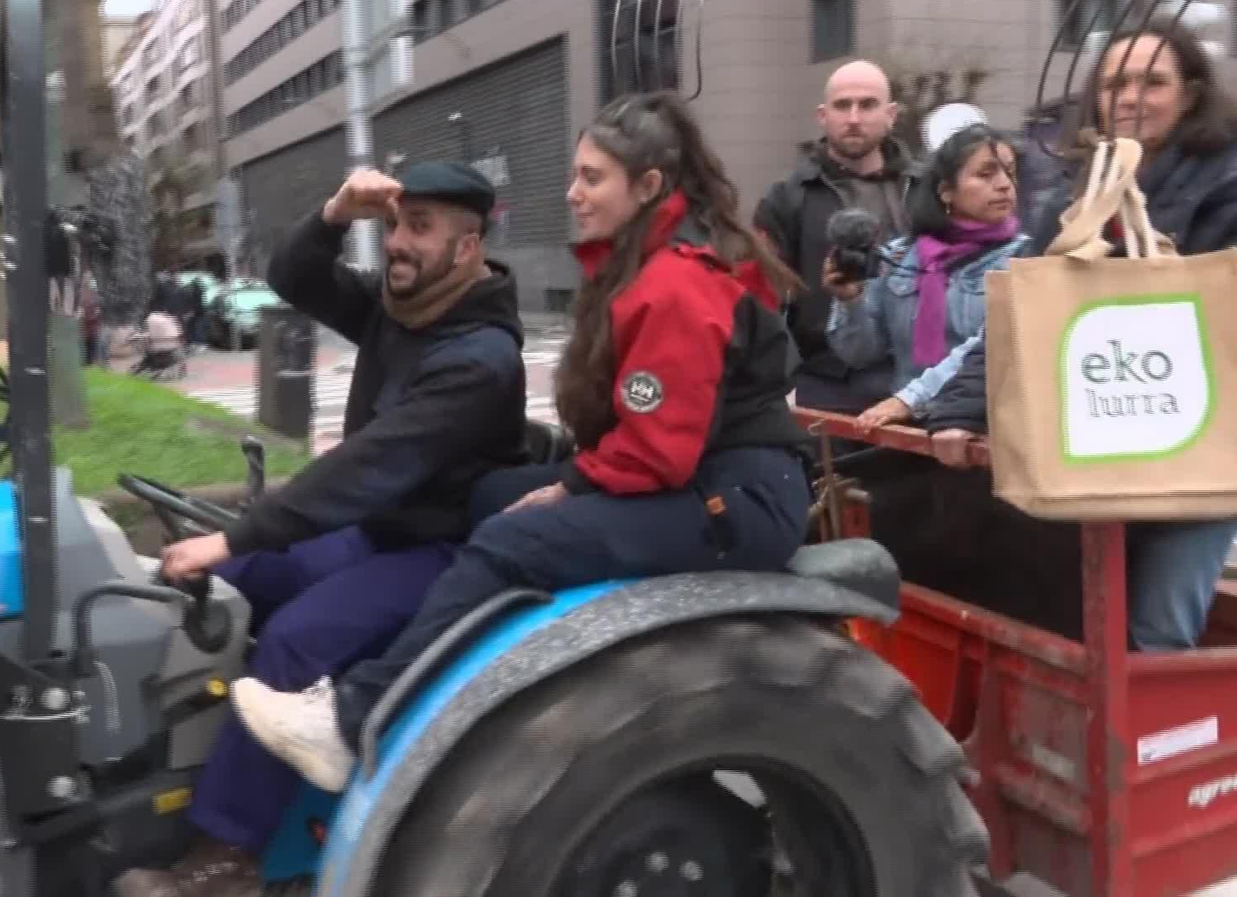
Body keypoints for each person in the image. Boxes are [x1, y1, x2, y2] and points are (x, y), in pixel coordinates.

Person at [227, 92, 814, 797]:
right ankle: (444, 612)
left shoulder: (674, 283)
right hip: (706, 475)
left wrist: (573, 486)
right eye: (576, 175)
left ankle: (354, 720)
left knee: (514, 537)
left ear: (648, 186)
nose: (574, 193)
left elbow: (659, 451)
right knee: (492, 496)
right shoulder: (644, 265)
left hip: (735, 497)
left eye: (592, 178)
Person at [119, 161, 527, 896]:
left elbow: (368, 467)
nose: (399, 242)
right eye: (397, 223)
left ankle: (225, 858)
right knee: (218, 585)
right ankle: (146, 777)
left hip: (441, 549)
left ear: (468, 248)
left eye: (421, 228)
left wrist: (240, 532)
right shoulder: (399, 309)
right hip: (375, 531)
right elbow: (294, 275)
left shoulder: (480, 358)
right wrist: (338, 209)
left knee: (295, 639)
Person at [925, 18, 1237, 652]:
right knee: (1079, 636)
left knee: (1155, 640)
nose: (1130, 98)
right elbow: (1021, 317)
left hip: (1192, 456)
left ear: (1191, 92)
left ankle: (1154, 750)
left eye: (1152, 82)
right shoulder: (1076, 194)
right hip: (1092, 454)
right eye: (1115, 82)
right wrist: (955, 410)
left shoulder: (1227, 184)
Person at [822, 123, 1024, 434]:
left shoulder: (1026, 259)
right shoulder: (901, 256)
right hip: (908, 431)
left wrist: (909, 399)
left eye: (1010, 172)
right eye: (985, 174)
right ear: (945, 190)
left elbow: (988, 348)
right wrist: (849, 301)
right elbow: (860, 354)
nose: (1004, 185)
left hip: (980, 431)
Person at [754, 60, 924, 415]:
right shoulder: (787, 198)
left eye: (868, 104)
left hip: (917, 378)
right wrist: (780, 382)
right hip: (825, 381)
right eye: (843, 105)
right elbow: (763, 301)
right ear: (822, 115)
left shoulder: (927, 189)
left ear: (891, 114)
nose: (854, 118)